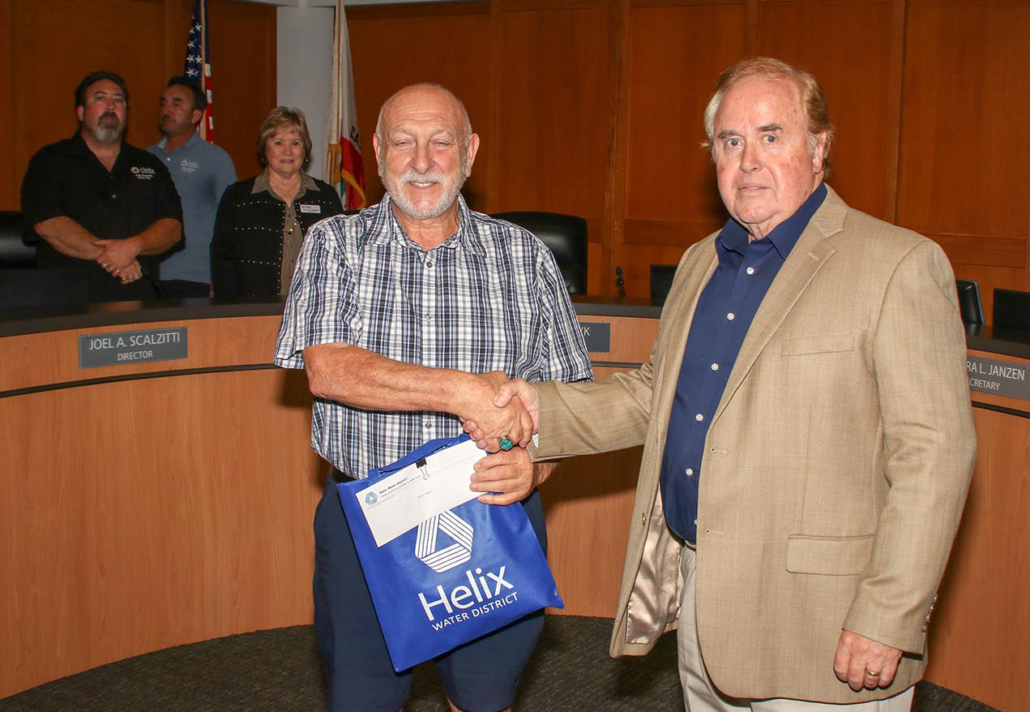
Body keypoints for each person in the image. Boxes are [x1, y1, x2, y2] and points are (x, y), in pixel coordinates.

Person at [476, 57, 976, 712]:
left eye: (772, 136)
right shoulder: (700, 262)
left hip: (825, 626)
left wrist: (887, 614)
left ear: (820, 147)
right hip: (704, 605)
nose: (747, 161)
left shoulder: (897, 265)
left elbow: (936, 457)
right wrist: (538, 406)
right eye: (730, 141)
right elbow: (657, 394)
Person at [273, 83, 592, 712]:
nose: (422, 160)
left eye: (441, 142)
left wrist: (539, 466)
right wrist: (463, 392)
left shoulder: (525, 258)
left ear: (469, 153)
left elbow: (571, 400)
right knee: (362, 699)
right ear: (378, 151)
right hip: (367, 518)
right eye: (404, 141)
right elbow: (328, 370)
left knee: (482, 699)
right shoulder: (333, 246)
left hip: (492, 515)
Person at [21, 71, 182, 302]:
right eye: (100, 98)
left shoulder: (149, 164)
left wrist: (135, 246)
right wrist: (115, 257)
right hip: (67, 302)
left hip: (138, 298)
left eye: (118, 100)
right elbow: (48, 223)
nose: (110, 106)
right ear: (81, 112)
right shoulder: (50, 160)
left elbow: (173, 227)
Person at [210, 107, 343, 300]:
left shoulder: (326, 196)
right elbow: (222, 259)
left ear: (304, 150)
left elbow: (341, 257)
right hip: (251, 313)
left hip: (315, 309)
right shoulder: (238, 197)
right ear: (265, 148)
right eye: (278, 142)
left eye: (295, 143)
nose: (287, 151)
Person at [148, 76, 237, 298]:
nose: (167, 110)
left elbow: (231, 221)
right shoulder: (145, 158)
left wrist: (221, 277)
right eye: (164, 103)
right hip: (149, 277)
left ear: (196, 115)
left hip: (197, 278)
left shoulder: (215, 158)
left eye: (176, 104)